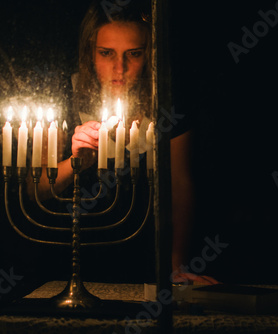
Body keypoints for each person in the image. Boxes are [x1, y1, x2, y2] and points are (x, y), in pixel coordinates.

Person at [34, 0, 218, 285]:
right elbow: (38, 190)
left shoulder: (167, 104)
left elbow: (179, 183)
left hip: (146, 261)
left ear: (150, 54)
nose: (119, 68)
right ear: (88, 53)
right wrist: (76, 163)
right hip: (71, 262)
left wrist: (175, 264)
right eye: (106, 53)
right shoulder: (61, 97)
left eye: (134, 53)